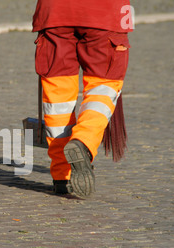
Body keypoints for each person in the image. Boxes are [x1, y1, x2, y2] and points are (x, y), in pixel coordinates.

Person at [33, 0, 133, 197]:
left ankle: (62, 175)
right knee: (102, 88)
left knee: (58, 98)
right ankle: (83, 141)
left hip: (54, 13)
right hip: (105, 14)